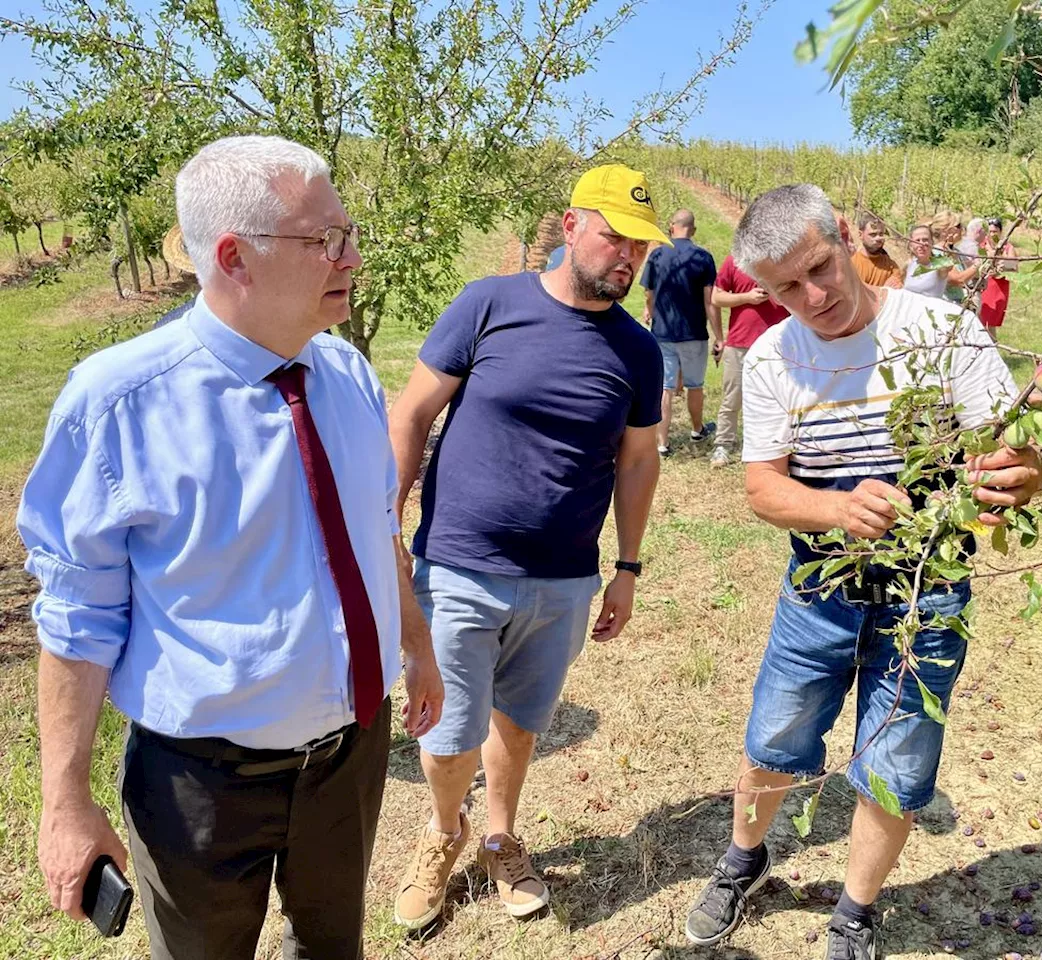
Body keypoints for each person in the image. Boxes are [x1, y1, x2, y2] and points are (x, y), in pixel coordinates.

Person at [18, 135, 444, 960]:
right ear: (234, 258)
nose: (351, 255)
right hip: (200, 789)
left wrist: (416, 645)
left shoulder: (347, 375)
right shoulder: (117, 406)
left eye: (348, 232)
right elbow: (76, 618)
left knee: (332, 946)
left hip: (348, 760)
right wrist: (64, 802)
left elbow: (372, 528)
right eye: (325, 239)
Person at [682, 184, 1042, 959]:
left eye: (820, 267)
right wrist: (836, 509)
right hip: (818, 594)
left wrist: (1028, 472)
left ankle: (855, 911)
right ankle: (743, 861)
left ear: (845, 235)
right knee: (773, 737)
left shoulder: (943, 331)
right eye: (785, 286)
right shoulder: (775, 357)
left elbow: (1016, 452)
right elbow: (764, 488)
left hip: (925, 594)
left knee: (900, 757)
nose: (810, 297)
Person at [387, 163, 664, 933]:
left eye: (639, 248)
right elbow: (411, 414)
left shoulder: (638, 351)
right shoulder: (489, 304)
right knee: (446, 733)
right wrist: (388, 523)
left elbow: (639, 460)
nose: (627, 258)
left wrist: (628, 568)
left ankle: (500, 836)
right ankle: (444, 833)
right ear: (572, 225)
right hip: (459, 567)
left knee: (518, 720)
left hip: (564, 581)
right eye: (615, 237)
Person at [641, 208, 719, 455]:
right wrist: (720, 335)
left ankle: (662, 443)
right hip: (694, 332)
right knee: (695, 385)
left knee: (665, 387)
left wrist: (650, 312)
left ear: (671, 226)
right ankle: (697, 429)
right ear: (693, 230)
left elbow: (649, 294)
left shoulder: (656, 255)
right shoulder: (703, 258)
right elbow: (710, 301)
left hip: (663, 332)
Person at [708, 251, 788, 467]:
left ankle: (773, 446)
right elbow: (716, 296)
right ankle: (723, 444)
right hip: (740, 342)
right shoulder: (735, 259)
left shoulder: (782, 257)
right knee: (732, 397)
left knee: (780, 399)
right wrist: (747, 297)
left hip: (780, 343)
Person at [902, 223, 977, 300]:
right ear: (911, 244)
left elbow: (949, 265)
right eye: (917, 240)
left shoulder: (939, 265)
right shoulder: (909, 265)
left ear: (932, 242)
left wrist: (950, 246)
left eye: (925, 240)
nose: (921, 244)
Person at [978, 216, 1017, 340]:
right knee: (980, 318)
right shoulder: (982, 246)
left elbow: (1014, 266)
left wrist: (1003, 264)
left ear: (1000, 232)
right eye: (990, 231)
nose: (992, 234)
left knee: (990, 321)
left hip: (998, 287)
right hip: (983, 284)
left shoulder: (1007, 247)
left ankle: (991, 346)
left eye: (995, 231)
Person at [850, 212, 902, 289]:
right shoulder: (851, 263)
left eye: (881, 234)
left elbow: (895, 292)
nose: (878, 238)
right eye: (873, 235)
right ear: (861, 235)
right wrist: (883, 290)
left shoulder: (891, 267)